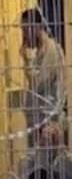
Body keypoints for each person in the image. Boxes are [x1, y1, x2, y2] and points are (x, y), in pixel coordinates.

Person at [21, 9, 66, 148]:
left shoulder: (51, 49)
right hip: (38, 121)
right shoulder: (39, 52)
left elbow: (39, 84)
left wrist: (26, 59)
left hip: (47, 124)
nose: (24, 35)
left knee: (45, 160)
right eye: (23, 30)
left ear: (37, 27)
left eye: (26, 29)